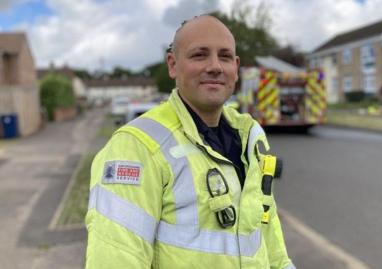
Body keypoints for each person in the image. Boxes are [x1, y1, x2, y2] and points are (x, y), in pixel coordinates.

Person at [84, 15, 294, 269]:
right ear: (173, 65)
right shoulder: (136, 147)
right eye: (200, 55)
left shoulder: (250, 136)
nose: (215, 66)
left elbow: (267, 229)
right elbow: (116, 260)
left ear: (236, 67)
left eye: (225, 56)